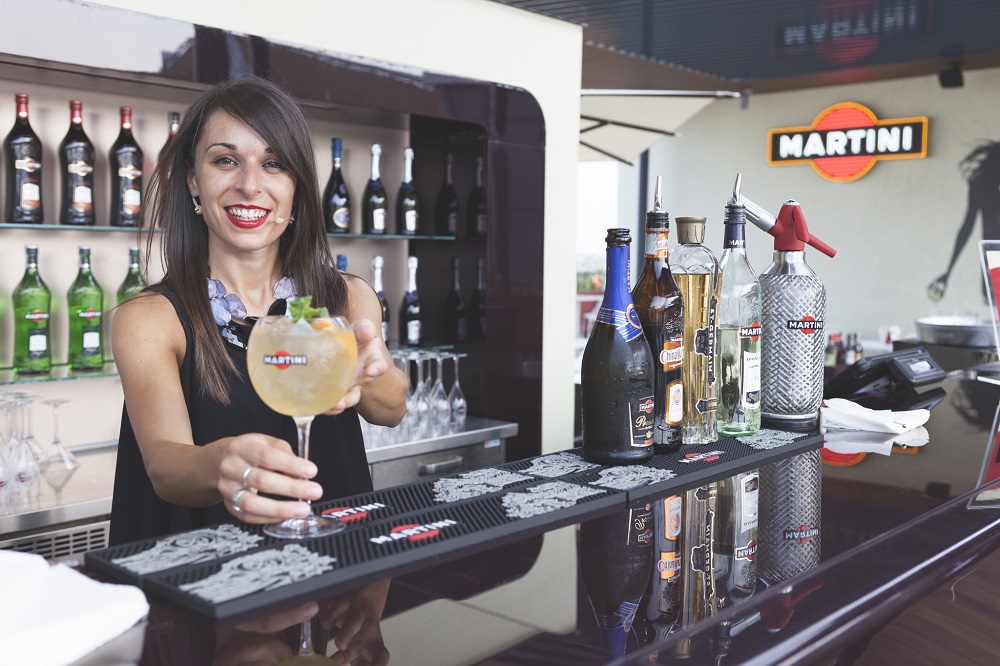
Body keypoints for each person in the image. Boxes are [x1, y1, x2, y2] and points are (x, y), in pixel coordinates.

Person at [109, 76, 407, 546]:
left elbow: (392, 411)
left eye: (274, 164)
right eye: (225, 160)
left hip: (336, 553)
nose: (249, 185)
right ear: (193, 179)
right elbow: (165, 467)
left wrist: (373, 375)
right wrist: (222, 461)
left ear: (296, 186)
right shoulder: (150, 317)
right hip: (207, 562)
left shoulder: (346, 298)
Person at [927, 140, 1000, 302]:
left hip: (993, 254)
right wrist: (948, 270)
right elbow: (967, 228)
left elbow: (966, 227)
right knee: (994, 300)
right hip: (994, 255)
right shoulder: (982, 186)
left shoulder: (981, 185)